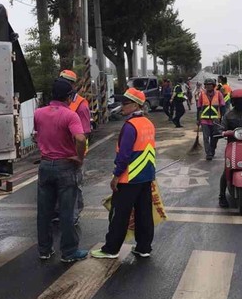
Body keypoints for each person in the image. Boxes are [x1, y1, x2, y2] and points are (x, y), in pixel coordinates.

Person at [91, 88, 156, 259]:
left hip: (129, 178)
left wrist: (116, 176)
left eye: (126, 103)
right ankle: (144, 247)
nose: (122, 106)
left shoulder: (130, 126)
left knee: (119, 215)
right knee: (144, 214)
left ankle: (111, 249)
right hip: (146, 176)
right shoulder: (148, 123)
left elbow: (124, 155)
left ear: (136, 105)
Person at [34, 79, 88, 263]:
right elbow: (80, 139)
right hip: (65, 165)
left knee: (44, 212)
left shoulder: (38, 114)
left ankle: (44, 250)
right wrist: (79, 158)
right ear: (68, 97)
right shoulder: (70, 115)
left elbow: (37, 135)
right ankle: (69, 252)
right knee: (66, 212)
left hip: (45, 165)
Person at [54, 69, 91, 224]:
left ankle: (74, 215)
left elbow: (85, 132)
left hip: (74, 150)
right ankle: (59, 213)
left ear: (72, 85)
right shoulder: (56, 101)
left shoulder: (81, 104)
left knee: (75, 184)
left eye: (66, 81)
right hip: (59, 151)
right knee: (59, 184)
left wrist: (78, 154)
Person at [198, 78, 226, 160]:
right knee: (206, 137)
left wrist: (223, 118)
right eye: (207, 85)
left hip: (215, 120)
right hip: (204, 120)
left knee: (215, 137)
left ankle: (212, 149)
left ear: (213, 86)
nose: (208, 86)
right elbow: (199, 108)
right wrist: (197, 119)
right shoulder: (202, 95)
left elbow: (223, 107)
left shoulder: (218, 94)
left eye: (210, 85)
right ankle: (208, 153)